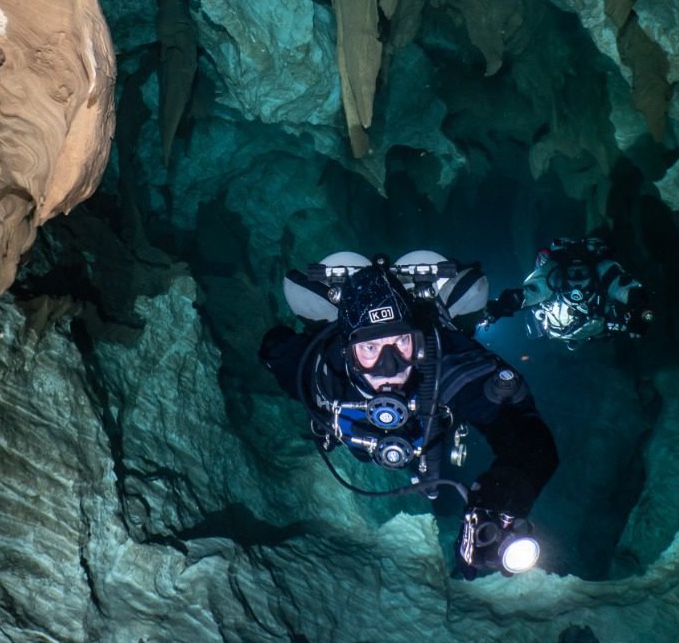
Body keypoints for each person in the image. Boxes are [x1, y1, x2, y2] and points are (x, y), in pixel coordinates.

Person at [258, 252, 558, 577]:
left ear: (419, 342)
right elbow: (280, 353)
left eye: (401, 342)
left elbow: (531, 443)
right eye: (370, 349)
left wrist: (497, 505)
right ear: (348, 354)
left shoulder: (448, 368)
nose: (390, 367)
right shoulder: (321, 374)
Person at [485, 236, 653, 345]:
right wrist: (500, 306)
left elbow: (528, 294)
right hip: (593, 328)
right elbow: (527, 295)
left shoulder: (552, 274)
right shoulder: (553, 274)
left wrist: (640, 309)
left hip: (579, 329)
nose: (578, 275)